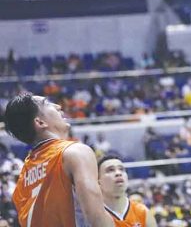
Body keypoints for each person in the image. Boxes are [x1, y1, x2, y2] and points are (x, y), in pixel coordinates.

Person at [4, 92, 114, 227]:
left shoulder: (23, 178)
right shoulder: (74, 152)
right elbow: (97, 218)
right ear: (40, 122)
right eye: (47, 103)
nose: (57, 106)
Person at [98, 155, 156, 227]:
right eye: (110, 170)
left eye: (121, 169)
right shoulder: (93, 214)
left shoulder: (143, 212)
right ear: (98, 181)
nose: (118, 173)